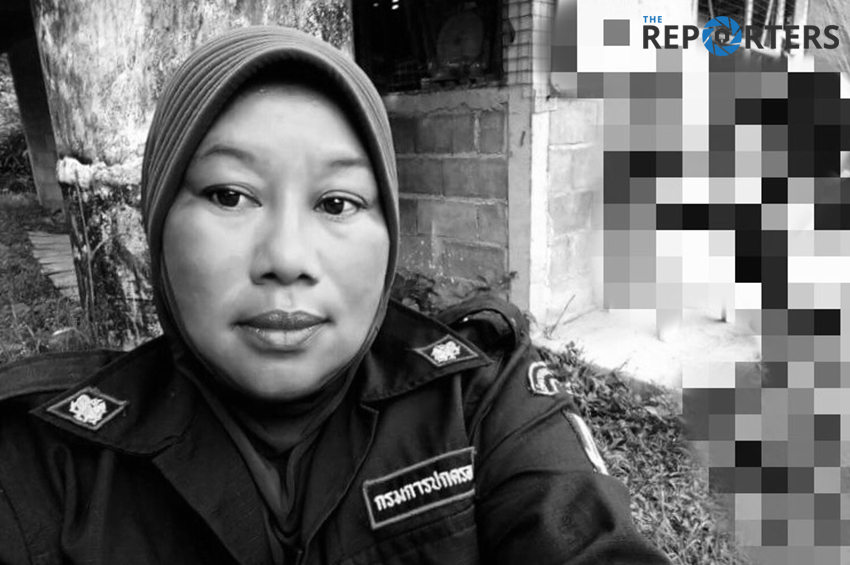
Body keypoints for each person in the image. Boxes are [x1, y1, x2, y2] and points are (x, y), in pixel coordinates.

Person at [0, 26, 670, 564]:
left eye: (337, 202)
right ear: (157, 222)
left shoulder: (480, 403)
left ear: (389, 234)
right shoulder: (49, 464)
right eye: (230, 195)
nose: (287, 259)